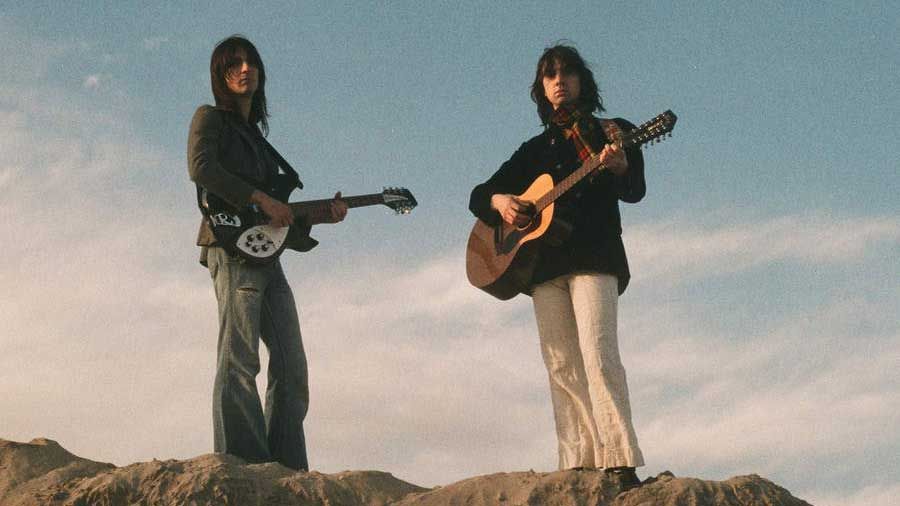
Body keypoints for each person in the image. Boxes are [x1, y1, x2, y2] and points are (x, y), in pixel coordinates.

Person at [468, 44, 645, 487]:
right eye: (549, 76)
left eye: (566, 73)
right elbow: (479, 194)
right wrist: (501, 201)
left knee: (598, 353)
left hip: (594, 254)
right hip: (543, 266)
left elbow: (635, 189)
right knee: (561, 362)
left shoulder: (613, 131)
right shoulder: (534, 149)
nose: (558, 81)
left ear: (583, 81)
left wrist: (620, 167)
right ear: (541, 89)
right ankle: (579, 460)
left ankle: (619, 458)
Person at [187, 35, 347, 471]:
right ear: (220, 76)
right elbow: (200, 169)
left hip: (265, 257)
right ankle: (243, 466)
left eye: (251, 63)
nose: (245, 69)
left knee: (292, 365)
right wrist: (259, 197)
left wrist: (320, 216)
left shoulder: (258, 139)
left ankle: (287, 469)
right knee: (240, 358)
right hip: (228, 247)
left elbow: (277, 220)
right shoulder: (210, 118)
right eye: (233, 64)